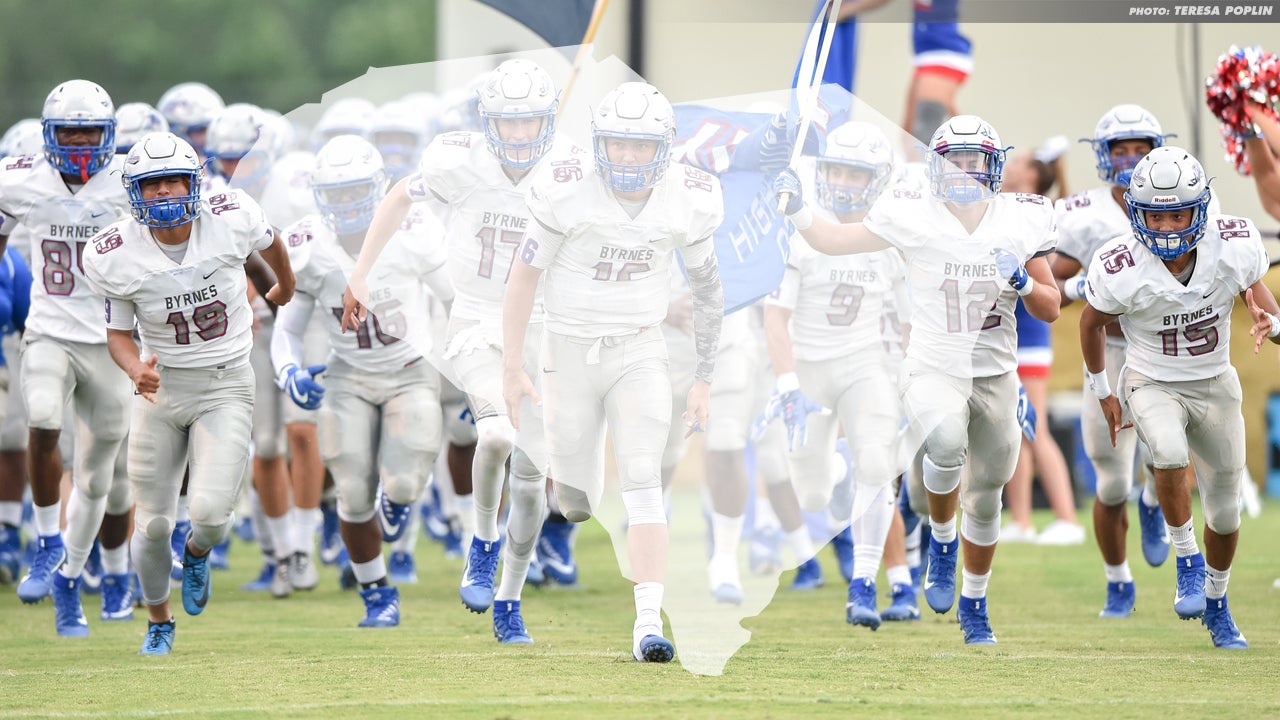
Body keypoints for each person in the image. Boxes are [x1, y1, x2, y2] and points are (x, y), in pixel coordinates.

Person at [775, 114, 1060, 644]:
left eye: (973, 162)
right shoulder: (913, 213)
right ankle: (943, 541)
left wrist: (1021, 279)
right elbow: (834, 239)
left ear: (993, 167)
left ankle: (974, 602)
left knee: (988, 493)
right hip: (932, 364)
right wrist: (797, 209)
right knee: (946, 442)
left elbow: (1051, 308)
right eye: (953, 161)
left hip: (996, 371)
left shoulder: (1022, 219)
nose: (963, 172)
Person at [503, 81, 724, 662]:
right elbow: (522, 279)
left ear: (665, 148)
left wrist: (703, 374)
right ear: (600, 144)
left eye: (640, 145)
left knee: (643, 481)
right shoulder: (566, 190)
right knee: (577, 500)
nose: (627, 157)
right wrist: (509, 365)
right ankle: (559, 517)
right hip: (568, 353)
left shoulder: (688, 197)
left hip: (640, 349)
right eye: (618, 144)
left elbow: (707, 290)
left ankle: (647, 624)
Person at [342, 59, 561, 642]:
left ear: (548, 121)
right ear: (488, 123)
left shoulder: (571, 171)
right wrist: (361, 271)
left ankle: (510, 603)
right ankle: (483, 539)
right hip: (477, 319)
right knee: (494, 436)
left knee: (534, 478)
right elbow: (397, 197)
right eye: (507, 123)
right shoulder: (459, 159)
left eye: (529, 122)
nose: (518, 135)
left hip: (546, 327)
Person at [81, 131, 295, 655]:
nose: (164, 192)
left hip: (226, 381)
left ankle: (197, 552)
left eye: (174, 179)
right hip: (161, 390)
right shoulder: (113, 252)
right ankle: (159, 620)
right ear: (134, 191)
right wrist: (136, 369)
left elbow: (272, 245)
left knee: (210, 515)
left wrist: (284, 288)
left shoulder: (230, 213)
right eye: (151, 184)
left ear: (194, 181)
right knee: (152, 524)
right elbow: (117, 333)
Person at [1080, 145, 1278, 649]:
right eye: (1156, 215)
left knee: (1228, 513)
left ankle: (1217, 600)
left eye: (1178, 214)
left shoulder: (1232, 244)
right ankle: (1186, 559)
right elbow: (1091, 323)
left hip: (1214, 383)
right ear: (1137, 214)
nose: (1167, 227)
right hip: (1151, 380)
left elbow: (1271, 314)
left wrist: (1270, 322)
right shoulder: (1120, 262)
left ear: (1201, 209)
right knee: (1166, 453)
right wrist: (1103, 389)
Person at [275, 135, 450, 628]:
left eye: (356, 192)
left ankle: (394, 505)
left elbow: (455, 299)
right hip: (347, 376)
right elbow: (287, 327)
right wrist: (287, 369)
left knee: (405, 482)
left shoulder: (413, 228)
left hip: (410, 371)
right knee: (351, 491)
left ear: (376, 190)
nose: (348, 204)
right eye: (339, 194)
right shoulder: (309, 244)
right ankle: (377, 594)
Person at [762, 120, 911, 629]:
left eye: (856, 173)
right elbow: (774, 319)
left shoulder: (893, 238)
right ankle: (836, 472)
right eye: (837, 171)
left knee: (876, 462)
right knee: (813, 494)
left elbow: (910, 322)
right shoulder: (798, 232)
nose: (844, 183)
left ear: (878, 179)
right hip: (808, 370)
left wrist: (910, 381)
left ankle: (864, 584)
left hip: (864, 364)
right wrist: (786, 385)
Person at [0, 82, 135, 636]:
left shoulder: (131, 181)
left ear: (110, 137)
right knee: (42, 422)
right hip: (49, 331)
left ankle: (77, 578)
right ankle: (47, 542)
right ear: (48, 135)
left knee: (102, 479)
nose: (80, 142)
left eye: (90, 132)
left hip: (111, 340)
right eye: (69, 132)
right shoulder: (21, 178)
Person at [1050, 105, 1179, 617]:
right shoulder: (1084, 215)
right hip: (1109, 350)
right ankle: (1117, 580)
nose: (1129, 160)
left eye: (1139, 149)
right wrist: (1078, 285)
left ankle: (1153, 502)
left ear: (1157, 153)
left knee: (1168, 456)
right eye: (1119, 150)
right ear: (1103, 157)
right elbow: (1047, 286)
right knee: (1109, 480)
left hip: (1163, 353)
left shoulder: (1182, 204)